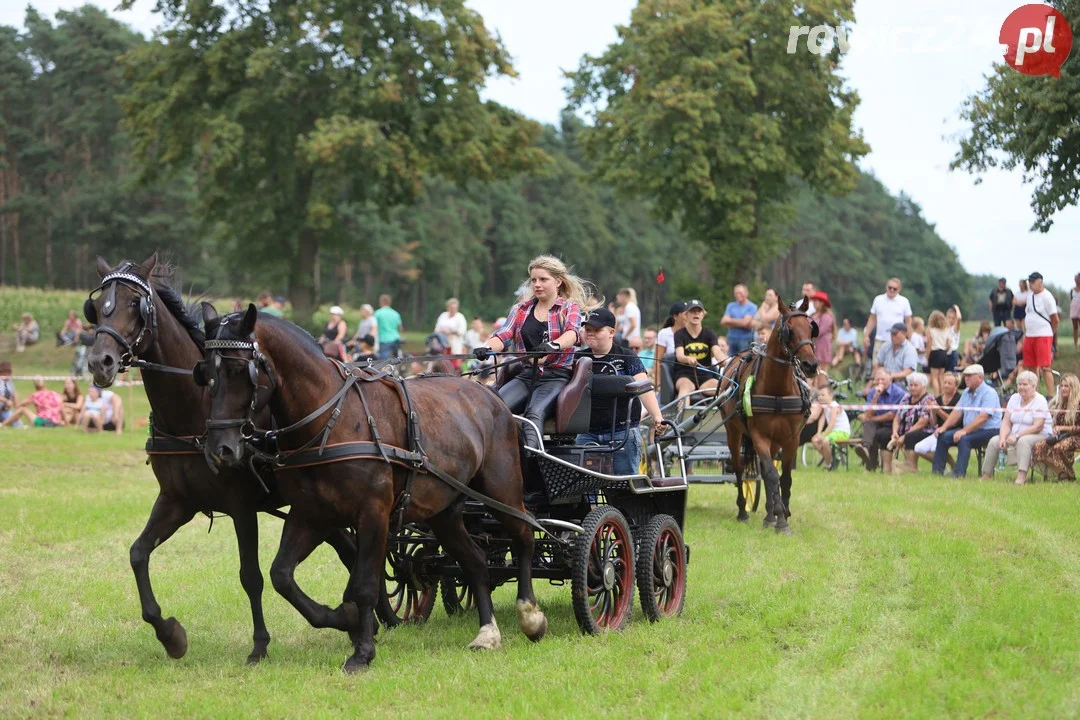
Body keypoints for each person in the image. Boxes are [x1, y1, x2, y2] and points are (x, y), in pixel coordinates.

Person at [472, 255, 587, 450]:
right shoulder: (521, 309)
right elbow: (503, 335)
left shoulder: (569, 307)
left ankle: (532, 461)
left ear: (558, 281)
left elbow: (572, 334)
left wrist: (554, 345)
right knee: (494, 409)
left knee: (534, 414)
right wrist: (487, 347)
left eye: (543, 279)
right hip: (527, 375)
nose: (537, 284)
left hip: (556, 376)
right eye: (533, 280)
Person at [575, 308, 666, 474]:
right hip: (587, 433)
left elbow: (644, 388)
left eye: (597, 330)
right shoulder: (577, 359)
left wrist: (657, 417)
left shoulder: (627, 357)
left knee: (624, 486)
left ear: (611, 332)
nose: (591, 334)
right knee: (585, 490)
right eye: (588, 330)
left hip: (622, 433)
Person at [980, 370, 1052, 485]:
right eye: (1019, 384)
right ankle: (986, 475)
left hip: (1039, 434)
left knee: (1023, 441)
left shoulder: (1040, 400)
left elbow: (1038, 426)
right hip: (1014, 434)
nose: (1021, 387)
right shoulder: (1014, 398)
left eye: (1025, 384)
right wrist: (1003, 437)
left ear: (1033, 386)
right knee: (994, 441)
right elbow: (1006, 422)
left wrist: (1017, 436)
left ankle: (1021, 477)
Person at [931, 364, 1003, 478]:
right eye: (965, 376)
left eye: (969, 376)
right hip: (971, 429)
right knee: (943, 436)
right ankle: (936, 473)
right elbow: (956, 412)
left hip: (990, 430)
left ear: (980, 377)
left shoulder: (989, 393)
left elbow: (983, 418)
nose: (966, 378)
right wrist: (943, 427)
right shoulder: (966, 392)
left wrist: (964, 431)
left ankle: (958, 474)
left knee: (964, 439)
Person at [854, 367, 907, 472]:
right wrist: (876, 396)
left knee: (878, 432)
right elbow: (869, 413)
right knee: (869, 424)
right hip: (877, 422)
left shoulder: (899, 393)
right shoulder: (872, 392)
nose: (880, 382)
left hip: (893, 425)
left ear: (890, 380)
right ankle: (866, 448)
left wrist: (872, 418)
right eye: (877, 380)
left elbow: (892, 415)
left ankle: (872, 465)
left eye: (883, 379)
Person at [673, 300, 726, 403]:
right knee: (684, 390)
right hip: (684, 375)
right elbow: (679, 356)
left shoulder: (710, 333)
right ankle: (681, 417)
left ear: (703, 314)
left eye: (699, 311)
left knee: (723, 390)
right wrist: (687, 359)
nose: (696, 313)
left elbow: (716, 350)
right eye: (692, 311)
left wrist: (721, 359)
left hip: (706, 376)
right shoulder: (679, 334)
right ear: (686, 315)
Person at [1032, 373, 1080, 481]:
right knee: (1038, 447)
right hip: (1063, 436)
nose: (1063, 388)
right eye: (1061, 386)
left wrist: (1063, 428)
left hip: (1077, 437)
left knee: (1058, 448)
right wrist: (1055, 429)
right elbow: (1057, 423)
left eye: (1066, 386)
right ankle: (1065, 473)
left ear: (1073, 387)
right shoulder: (1061, 403)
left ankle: (1068, 475)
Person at [912, 371, 962, 468]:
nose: (946, 385)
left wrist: (938, 410)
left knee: (937, 448)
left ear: (956, 386)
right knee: (918, 448)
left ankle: (944, 467)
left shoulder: (959, 399)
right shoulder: (938, 399)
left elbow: (954, 421)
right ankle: (949, 464)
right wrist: (932, 411)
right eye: (945, 382)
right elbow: (933, 423)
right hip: (939, 431)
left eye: (949, 383)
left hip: (955, 430)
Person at [1023, 272, 1059, 396]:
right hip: (1030, 335)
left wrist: (1050, 334)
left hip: (1043, 334)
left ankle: (1050, 395)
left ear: (1040, 282)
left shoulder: (1047, 297)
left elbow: (1055, 319)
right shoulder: (1029, 296)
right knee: (1031, 366)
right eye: (1030, 282)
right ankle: (1034, 393)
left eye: (1033, 282)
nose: (1031, 285)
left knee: (1045, 367)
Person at [890, 373, 935, 473]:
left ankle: (912, 467)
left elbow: (923, 422)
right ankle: (887, 467)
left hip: (925, 431)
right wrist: (895, 432)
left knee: (911, 437)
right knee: (885, 434)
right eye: (911, 385)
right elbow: (897, 417)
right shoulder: (906, 397)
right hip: (906, 430)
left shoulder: (928, 399)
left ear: (923, 386)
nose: (912, 388)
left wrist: (905, 436)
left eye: (916, 385)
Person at [863, 278, 912, 364]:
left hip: (897, 340)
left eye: (894, 288)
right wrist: (866, 335)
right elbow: (872, 319)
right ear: (886, 287)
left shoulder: (904, 301)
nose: (892, 290)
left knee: (894, 366)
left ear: (899, 289)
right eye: (890, 287)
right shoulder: (878, 300)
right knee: (876, 365)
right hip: (880, 339)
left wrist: (909, 337)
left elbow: (908, 321)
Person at [810, 384, 850, 471]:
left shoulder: (834, 406)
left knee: (824, 441)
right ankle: (831, 459)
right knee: (814, 440)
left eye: (823, 395)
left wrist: (823, 435)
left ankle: (827, 465)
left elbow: (831, 424)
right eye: (819, 395)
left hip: (842, 432)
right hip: (833, 433)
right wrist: (818, 433)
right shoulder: (825, 407)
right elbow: (822, 420)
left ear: (831, 395)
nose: (820, 397)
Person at [654, 301, 687, 389]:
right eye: (685, 314)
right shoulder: (664, 334)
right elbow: (657, 360)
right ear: (675, 316)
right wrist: (659, 384)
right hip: (671, 376)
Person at [721, 284, 757, 355]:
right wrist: (741, 322)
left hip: (745, 339)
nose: (738, 295)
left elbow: (745, 323)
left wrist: (730, 321)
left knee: (744, 361)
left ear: (746, 293)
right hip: (731, 339)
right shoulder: (730, 306)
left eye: (740, 293)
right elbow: (723, 322)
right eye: (736, 293)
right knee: (730, 361)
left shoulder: (752, 307)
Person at [810, 292, 835, 387]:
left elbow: (819, 331)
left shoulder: (827, 317)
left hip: (823, 346)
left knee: (821, 371)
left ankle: (822, 390)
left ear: (822, 303)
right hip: (813, 345)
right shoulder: (813, 315)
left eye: (817, 301)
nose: (814, 303)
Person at [925, 310, 952, 396]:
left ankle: (937, 396)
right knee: (941, 377)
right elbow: (948, 345)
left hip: (935, 353)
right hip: (943, 353)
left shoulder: (930, 330)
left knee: (934, 378)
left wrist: (927, 356)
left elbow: (929, 345)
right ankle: (943, 394)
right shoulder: (946, 330)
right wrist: (944, 351)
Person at [374, 294, 404, 361]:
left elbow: (374, 327)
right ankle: (398, 368)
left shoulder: (378, 313)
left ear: (381, 302)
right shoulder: (395, 313)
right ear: (389, 302)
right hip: (396, 339)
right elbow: (400, 328)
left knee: (383, 361)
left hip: (384, 339)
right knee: (397, 359)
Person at [945, 305, 963, 372]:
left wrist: (957, 308)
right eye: (949, 317)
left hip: (952, 354)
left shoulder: (954, 329)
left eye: (953, 318)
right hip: (945, 353)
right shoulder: (945, 329)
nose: (951, 320)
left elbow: (959, 318)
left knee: (952, 372)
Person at [1069, 273, 1080, 350]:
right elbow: (1071, 299)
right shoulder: (1072, 290)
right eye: (1075, 278)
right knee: (1075, 327)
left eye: (1077, 278)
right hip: (1074, 309)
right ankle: (1075, 344)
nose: (1076, 280)